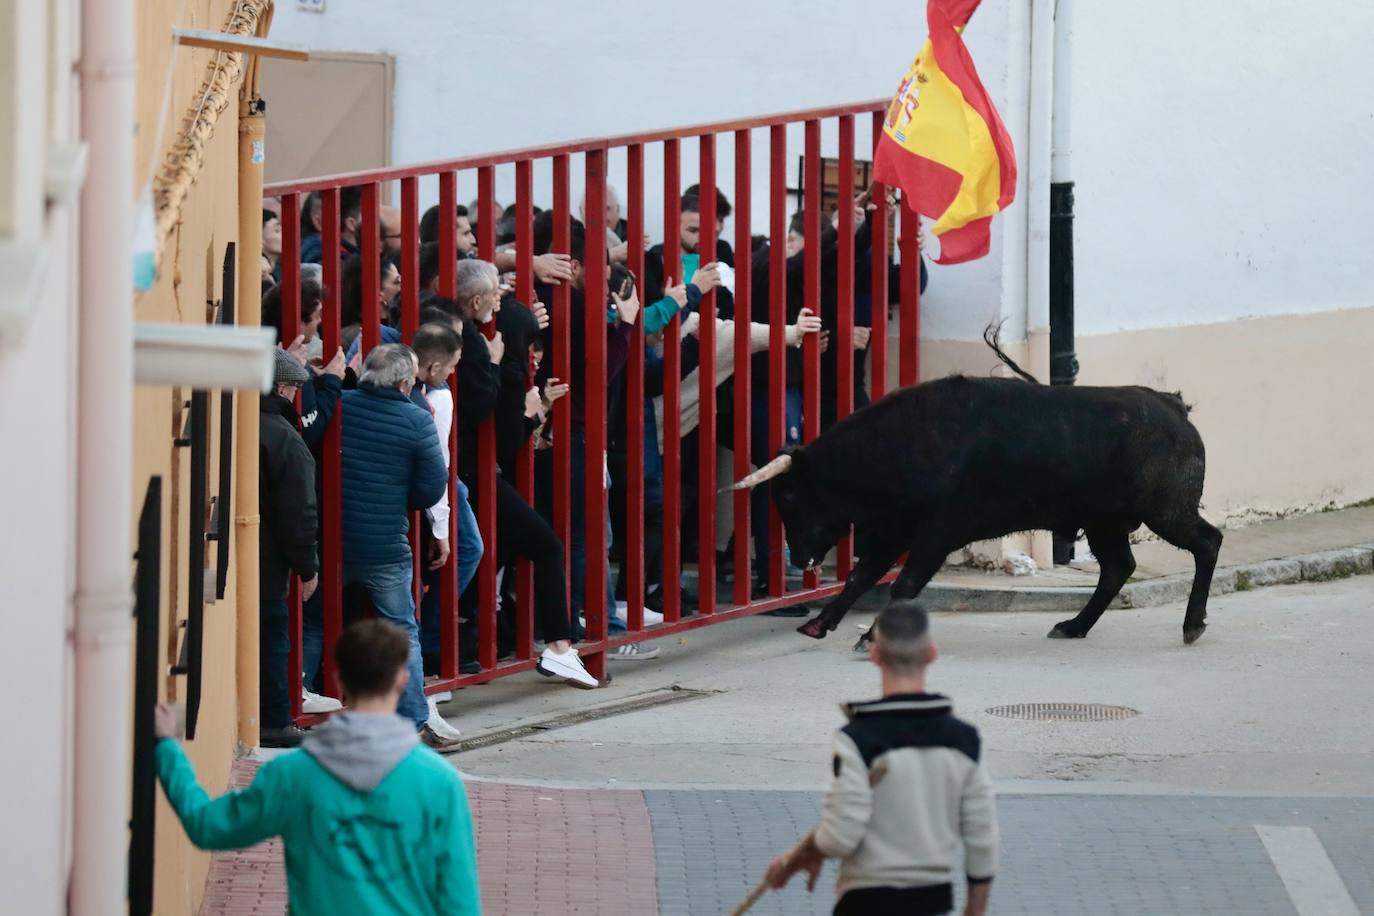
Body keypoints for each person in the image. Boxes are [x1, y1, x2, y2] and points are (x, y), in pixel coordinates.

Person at [153, 618, 481, 915]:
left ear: (338, 679)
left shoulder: (292, 775)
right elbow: (460, 903)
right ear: (401, 680)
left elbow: (207, 826)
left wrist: (167, 748)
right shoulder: (440, 783)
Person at [765, 600, 997, 916]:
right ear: (931, 654)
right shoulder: (964, 739)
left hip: (866, 901)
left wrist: (802, 856)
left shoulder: (857, 739)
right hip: (933, 901)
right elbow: (981, 834)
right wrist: (975, 909)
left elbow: (839, 838)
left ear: (874, 654)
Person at [452, 259, 601, 686]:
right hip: (475, 475)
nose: (536, 356)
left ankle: (459, 653)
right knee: (547, 546)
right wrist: (533, 413)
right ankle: (558, 648)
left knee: (480, 559)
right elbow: (506, 438)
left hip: (463, 474)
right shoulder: (502, 364)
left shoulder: (467, 341)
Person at [340, 344, 453, 745]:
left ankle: (302, 706)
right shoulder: (416, 420)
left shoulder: (341, 404)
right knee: (402, 630)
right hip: (386, 544)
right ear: (406, 382)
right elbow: (430, 487)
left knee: (318, 623)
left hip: (333, 542)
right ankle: (413, 719)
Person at [258, 349, 321, 747]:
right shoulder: (284, 437)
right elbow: (300, 513)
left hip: (245, 559)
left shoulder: (234, 422)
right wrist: (307, 567)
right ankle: (275, 719)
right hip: (269, 568)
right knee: (272, 639)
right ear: (284, 387)